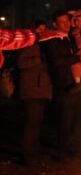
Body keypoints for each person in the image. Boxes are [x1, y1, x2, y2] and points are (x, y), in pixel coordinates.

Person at [43, 11, 81, 160]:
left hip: (74, 84)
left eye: (67, 21)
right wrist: (78, 59)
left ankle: (75, 148)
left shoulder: (69, 38)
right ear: (55, 24)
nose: (66, 24)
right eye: (62, 22)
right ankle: (62, 152)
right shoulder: (52, 40)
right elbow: (56, 61)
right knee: (64, 120)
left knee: (77, 119)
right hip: (62, 85)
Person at [17, 21, 54, 166]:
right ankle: (27, 154)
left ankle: (34, 152)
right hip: (31, 89)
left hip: (41, 89)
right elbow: (21, 63)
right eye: (39, 29)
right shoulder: (28, 43)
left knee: (37, 122)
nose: (42, 31)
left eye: (44, 29)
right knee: (31, 123)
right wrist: (39, 59)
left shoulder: (43, 44)